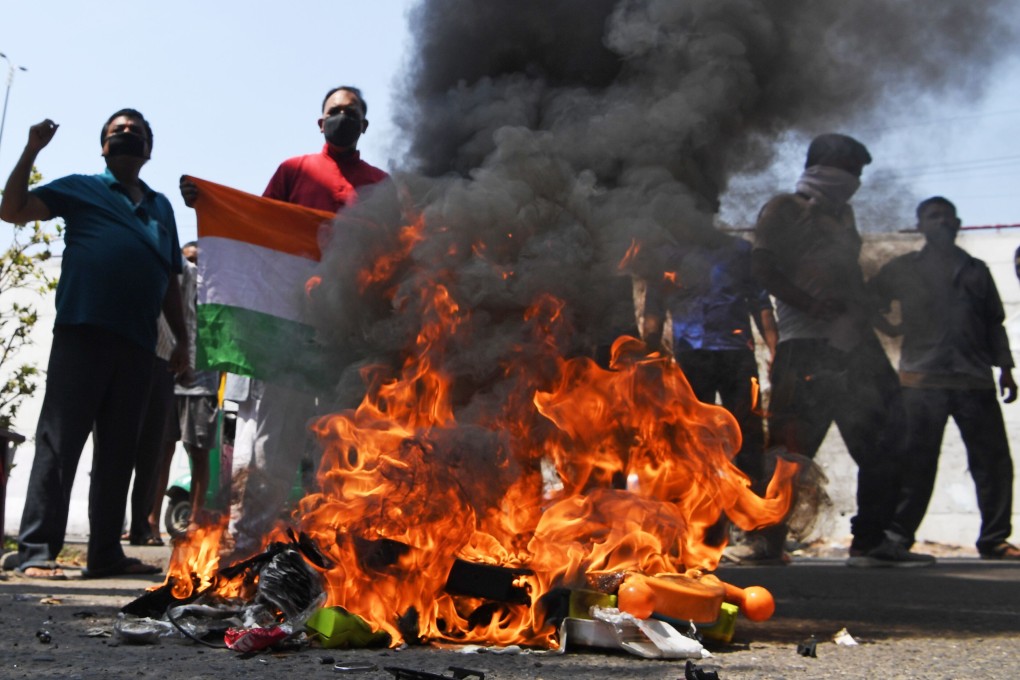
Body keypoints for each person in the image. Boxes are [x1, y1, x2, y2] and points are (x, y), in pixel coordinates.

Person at [181, 86, 388, 557]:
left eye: (351, 113)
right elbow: (252, 231)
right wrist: (207, 204)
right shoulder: (294, 169)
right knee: (271, 446)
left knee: (340, 450)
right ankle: (247, 550)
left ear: (365, 125)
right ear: (320, 123)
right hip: (286, 335)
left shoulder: (381, 185)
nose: (342, 118)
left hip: (345, 339)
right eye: (335, 112)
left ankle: (326, 557)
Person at [0, 110, 188, 579]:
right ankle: (37, 551)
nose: (126, 136)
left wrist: (183, 341)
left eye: (136, 133)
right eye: (116, 132)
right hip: (82, 333)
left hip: (140, 347)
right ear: (103, 147)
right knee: (59, 443)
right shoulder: (81, 188)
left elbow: (169, 280)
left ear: (149, 150)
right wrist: (30, 150)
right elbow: (12, 210)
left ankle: (105, 552)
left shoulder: (162, 207)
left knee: (119, 452)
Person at [751, 133, 933, 567]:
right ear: (825, 167)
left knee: (884, 440)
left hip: (854, 348)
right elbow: (761, 268)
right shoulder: (784, 209)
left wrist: (872, 313)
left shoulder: (845, 216)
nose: (855, 181)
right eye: (851, 170)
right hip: (805, 348)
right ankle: (767, 541)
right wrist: (811, 303)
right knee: (792, 452)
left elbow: (847, 276)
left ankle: (870, 542)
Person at [869, 197, 1020, 560]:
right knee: (916, 462)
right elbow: (865, 299)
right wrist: (889, 326)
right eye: (933, 217)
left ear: (958, 223)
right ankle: (898, 537)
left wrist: (1006, 370)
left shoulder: (975, 270)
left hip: (974, 380)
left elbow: (993, 323)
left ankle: (995, 539)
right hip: (922, 381)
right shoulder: (904, 268)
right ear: (920, 226)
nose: (941, 222)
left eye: (947, 217)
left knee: (993, 462)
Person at [642, 226, 779, 558]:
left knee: (748, 442)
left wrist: (776, 350)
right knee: (691, 446)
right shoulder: (666, 255)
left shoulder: (739, 250)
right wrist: (649, 354)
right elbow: (654, 309)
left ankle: (754, 533)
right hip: (691, 358)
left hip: (736, 356)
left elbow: (761, 303)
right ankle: (693, 532)